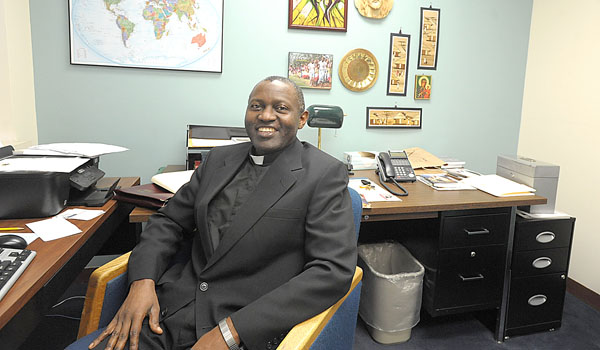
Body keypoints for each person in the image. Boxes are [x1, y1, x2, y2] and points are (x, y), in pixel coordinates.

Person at [87, 76, 357, 350]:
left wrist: (232, 331)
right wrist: (142, 282)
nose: (266, 116)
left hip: (243, 327)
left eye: (280, 108)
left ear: (302, 119)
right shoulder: (218, 160)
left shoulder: (324, 174)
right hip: (169, 313)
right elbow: (169, 221)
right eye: (256, 106)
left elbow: (331, 271)